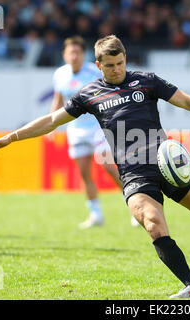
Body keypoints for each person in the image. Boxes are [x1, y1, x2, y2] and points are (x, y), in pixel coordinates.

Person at [0, 35, 190, 298]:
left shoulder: (146, 81)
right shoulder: (89, 94)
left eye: (120, 63)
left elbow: (186, 101)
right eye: (109, 66)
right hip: (133, 174)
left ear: (125, 59)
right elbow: (52, 120)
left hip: (164, 162)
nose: (116, 70)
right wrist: (11, 137)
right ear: (98, 66)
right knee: (152, 222)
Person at [49, 36, 137, 229]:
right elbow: (58, 100)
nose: (74, 56)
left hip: (99, 127)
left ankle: (135, 207)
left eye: (77, 53)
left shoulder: (93, 71)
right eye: (70, 52)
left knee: (109, 167)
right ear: (64, 55)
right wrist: (52, 124)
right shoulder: (60, 74)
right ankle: (95, 214)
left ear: (83, 54)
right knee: (84, 173)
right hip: (76, 129)